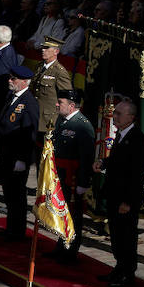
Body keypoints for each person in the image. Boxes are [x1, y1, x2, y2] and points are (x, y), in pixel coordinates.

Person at [99, 99, 144, 287]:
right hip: (114, 194)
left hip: (125, 199)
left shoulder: (137, 139)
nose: (115, 116)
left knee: (127, 236)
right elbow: (117, 161)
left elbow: (136, 173)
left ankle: (128, 273)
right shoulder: (121, 133)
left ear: (131, 117)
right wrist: (103, 163)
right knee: (117, 236)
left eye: (119, 113)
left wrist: (128, 201)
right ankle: (119, 268)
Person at [0, 64, 40, 241]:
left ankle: (17, 231)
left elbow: (30, 133)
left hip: (17, 157)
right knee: (9, 193)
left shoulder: (29, 103)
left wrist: (23, 159)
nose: (10, 81)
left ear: (24, 82)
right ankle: (11, 227)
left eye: (13, 79)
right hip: (6, 153)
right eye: (10, 77)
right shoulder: (12, 97)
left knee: (17, 195)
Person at [50, 89, 94, 263]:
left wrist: (83, 182)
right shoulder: (62, 120)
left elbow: (86, 157)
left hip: (73, 179)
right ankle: (60, 246)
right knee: (61, 212)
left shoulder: (82, 125)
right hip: (60, 176)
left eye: (60, 102)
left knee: (73, 216)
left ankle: (70, 251)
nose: (56, 104)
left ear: (72, 105)